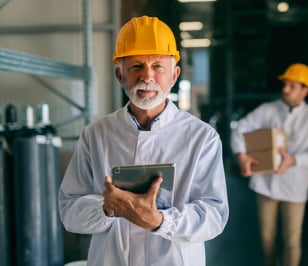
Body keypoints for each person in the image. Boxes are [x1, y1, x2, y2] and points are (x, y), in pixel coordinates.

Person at [59, 16, 229, 266]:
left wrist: (160, 221)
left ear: (174, 76)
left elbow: (214, 215)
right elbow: (69, 210)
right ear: (120, 75)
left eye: (158, 66)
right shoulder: (96, 135)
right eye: (136, 66)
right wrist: (106, 208)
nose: (147, 77)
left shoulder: (201, 137)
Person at [230, 63, 308, 266]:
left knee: (292, 240)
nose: (285, 89)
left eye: (292, 86)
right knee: (267, 238)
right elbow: (240, 129)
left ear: (305, 90)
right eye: (285, 84)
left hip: (295, 187)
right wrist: (242, 155)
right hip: (265, 185)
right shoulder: (269, 110)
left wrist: (294, 160)